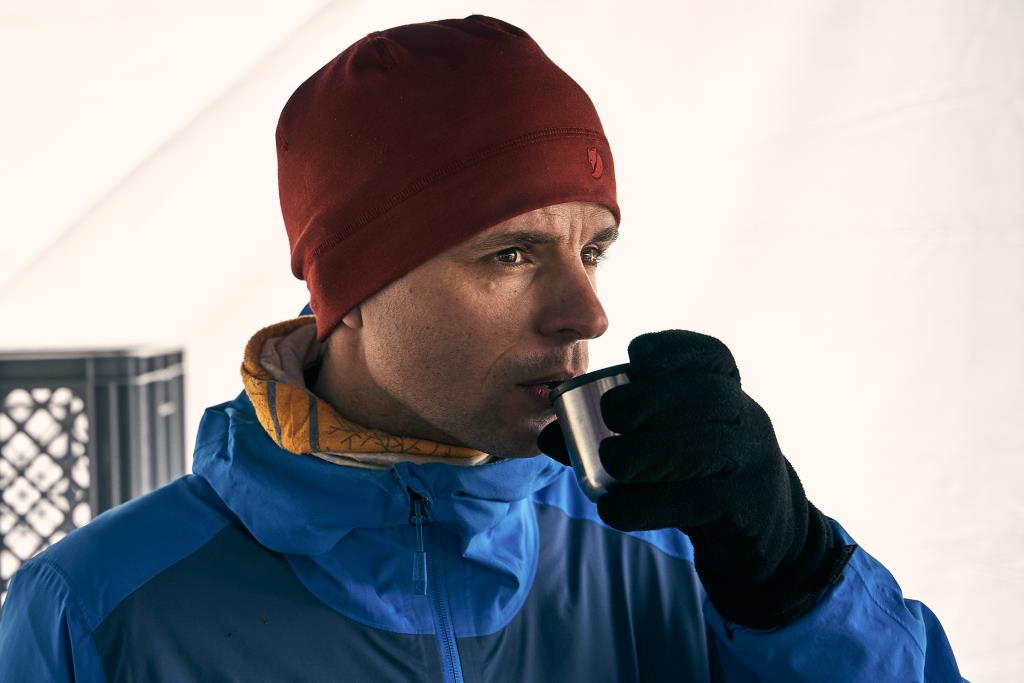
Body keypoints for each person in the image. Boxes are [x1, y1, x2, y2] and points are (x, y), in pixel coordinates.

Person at [0, 14, 965, 682]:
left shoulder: (685, 551)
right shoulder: (97, 610)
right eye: (511, 254)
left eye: (593, 250)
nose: (587, 313)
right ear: (352, 291)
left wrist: (797, 581)